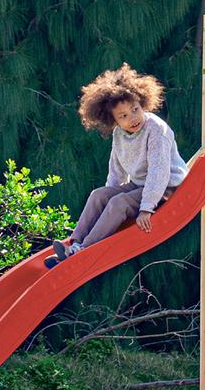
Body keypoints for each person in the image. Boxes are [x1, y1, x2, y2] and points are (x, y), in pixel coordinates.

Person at [46, 64, 188, 268]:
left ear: (142, 103)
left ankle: (84, 251)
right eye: (123, 116)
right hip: (141, 185)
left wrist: (147, 208)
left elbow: (159, 172)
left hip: (165, 187)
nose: (132, 118)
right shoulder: (119, 134)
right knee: (98, 195)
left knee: (118, 203)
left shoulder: (156, 130)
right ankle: (73, 244)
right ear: (112, 120)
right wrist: (108, 192)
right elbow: (117, 169)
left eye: (135, 110)